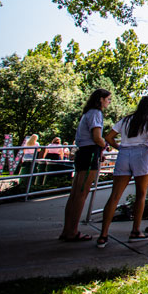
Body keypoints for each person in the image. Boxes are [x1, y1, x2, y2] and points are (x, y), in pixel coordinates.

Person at [96, 96, 148, 248]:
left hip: (124, 154)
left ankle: (103, 234)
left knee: (115, 195)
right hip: (142, 154)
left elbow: (109, 137)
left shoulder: (126, 120)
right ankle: (135, 230)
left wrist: (119, 147)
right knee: (141, 194)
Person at [59, 89, 111, 242]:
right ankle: (72, 231)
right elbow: (96, 136)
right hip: (90, 154)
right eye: (108, 99)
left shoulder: (87, 113)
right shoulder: (96, 113)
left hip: (83, 152)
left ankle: (67, 229)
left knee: (75, 193)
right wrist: (104, 145)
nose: (109, 102)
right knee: (82, 192)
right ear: (100, 99)